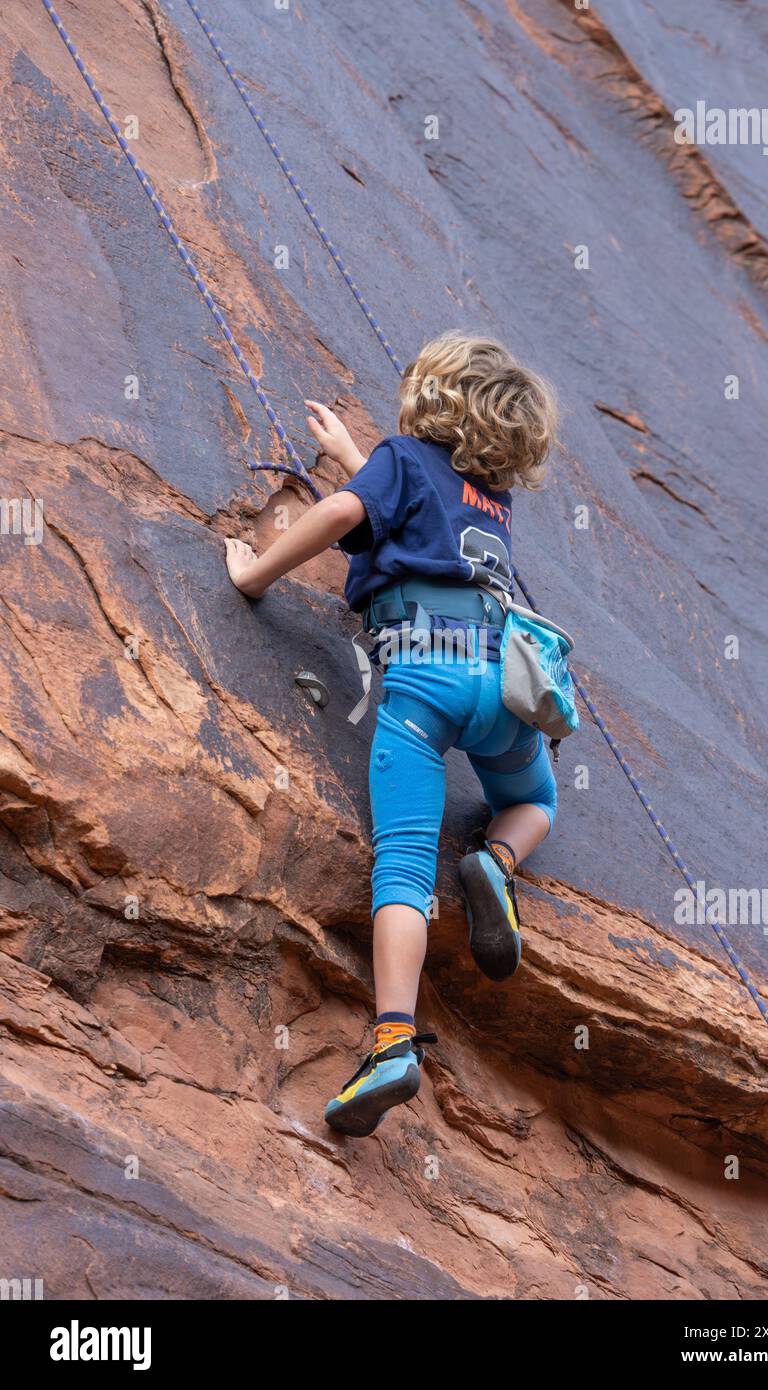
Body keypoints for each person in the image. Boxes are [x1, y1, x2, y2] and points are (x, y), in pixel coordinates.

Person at [225, 332, 559, 1137]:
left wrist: (257, 570)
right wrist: (354, 454)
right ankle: (495, 861)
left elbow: (353, 512)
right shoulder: (494, 501)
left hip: (421, 680)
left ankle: (393, 1046)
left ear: (430, 401)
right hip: (500, 686)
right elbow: (419, 520)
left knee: (404, 867)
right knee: (537, 798)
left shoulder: (403, 457)